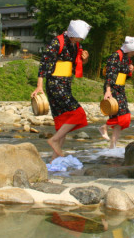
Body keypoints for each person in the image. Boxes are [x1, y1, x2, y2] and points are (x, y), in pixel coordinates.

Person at [32, 19, 91, 160]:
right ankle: (53, 140)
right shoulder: (56, 42)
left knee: (62, 122)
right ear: (72, 33)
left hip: (66, 84)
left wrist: (85, 59)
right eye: (79, 37)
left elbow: (78, 63)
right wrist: (39, 86)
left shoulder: (76, 44)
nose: (80, 39)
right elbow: (44, 64)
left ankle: (54, 160)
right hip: (55, 83)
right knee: (78, 114)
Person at [98, 36, 134, 149]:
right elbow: (109, 74)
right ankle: (104, 127)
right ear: (130, 48)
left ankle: (113, 145)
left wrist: (130, 70)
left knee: (122, 118)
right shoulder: (116, 56)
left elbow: (124, 76)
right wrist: (107, 90)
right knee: (122, 115)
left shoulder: (127, 58)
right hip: (112, 88)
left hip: (120, 88)